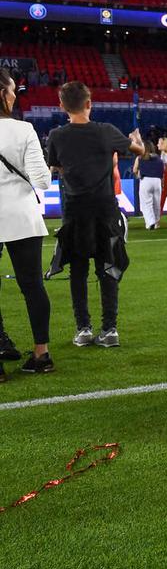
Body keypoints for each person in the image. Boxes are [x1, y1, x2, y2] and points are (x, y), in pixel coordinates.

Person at [45, 81, 144, 348]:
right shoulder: (106, 131)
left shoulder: (57, 135)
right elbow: (139, 151)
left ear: (62, 106)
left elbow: (56, 167)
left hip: (75, 211)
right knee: (108, 267)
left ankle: (83, 329)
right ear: (89, 104)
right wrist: (136, 141)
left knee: (78, 270)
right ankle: (110, 329)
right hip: (105, 211)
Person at [0, 67, 54, 379]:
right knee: (32, 285)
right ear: (4, 95)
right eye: (12, 90)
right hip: (22, 215)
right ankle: (41, 354)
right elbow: (42, 181)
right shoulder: (24, 130)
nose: (14, 95)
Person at [133, 139, 165, 229]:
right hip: (157, 181)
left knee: (146, 204)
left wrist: (138, 174)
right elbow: (162, 172)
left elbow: (134, 170)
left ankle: (150, 223)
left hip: (146, 181)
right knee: (156, 203)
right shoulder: (159, 158)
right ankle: (156, 222)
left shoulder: (140, 157)